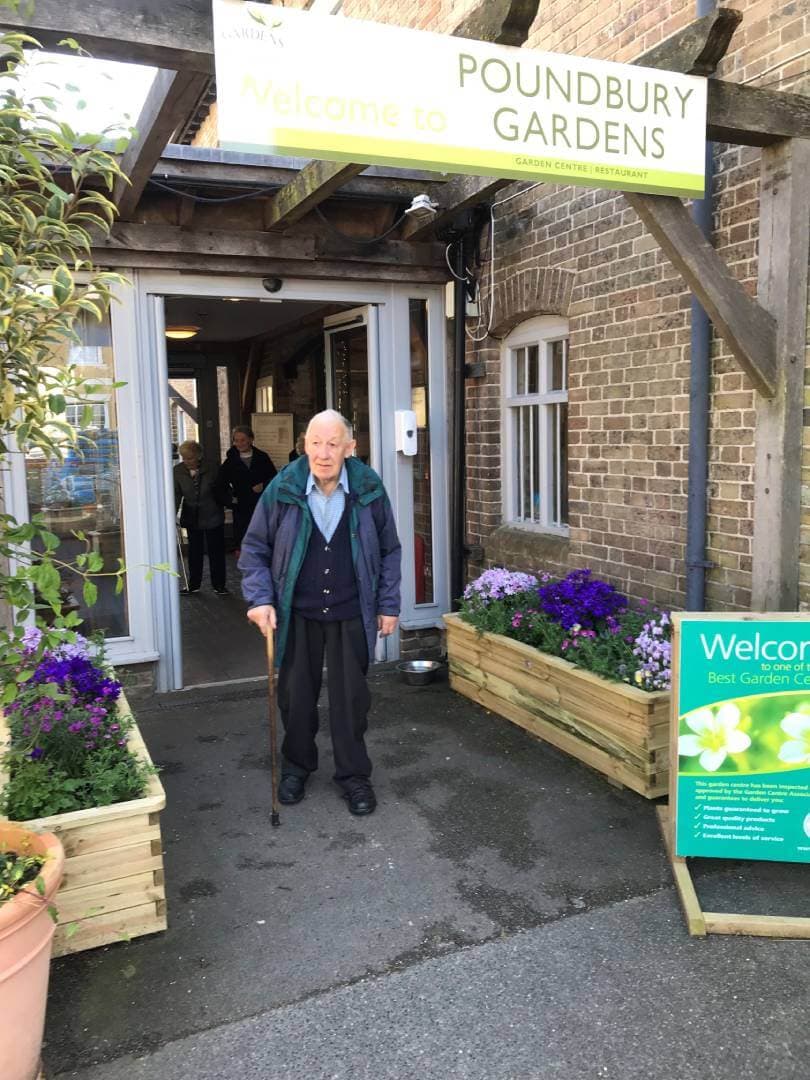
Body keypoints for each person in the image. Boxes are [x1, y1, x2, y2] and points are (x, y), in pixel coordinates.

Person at [239, 410, 401, 816]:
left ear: (350, 448)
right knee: (295, 697)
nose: (323, 453)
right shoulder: (283, 488)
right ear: (304, 444)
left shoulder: (368, 488)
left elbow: (390, 550)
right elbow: (254, 548)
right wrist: (260, 599)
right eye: (315, 443)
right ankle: (296, 767)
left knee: (351, 699)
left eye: (333, 444)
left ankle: (353, 776)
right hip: (298, 612)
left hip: (351, 609)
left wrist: (388, 604)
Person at [174, 440, 229, 595]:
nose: (187, 462)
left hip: (212, 514)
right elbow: (176, 494)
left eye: (190, 458)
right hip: (192, 517)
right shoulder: (177, 471)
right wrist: (172, 514)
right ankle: (193, 585)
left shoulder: (212, 468)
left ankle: (219, 585)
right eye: (184, 458)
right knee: (194, 553)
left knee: (216, 552)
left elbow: (222, 489)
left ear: (199, 456)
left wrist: (227, 503)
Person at [218, 425, 277, 554]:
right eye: (236, 440)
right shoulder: (230, 461)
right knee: (243, 541)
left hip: (261, 504)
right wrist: (231, 499)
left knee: (262, 540)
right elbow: (220, 484)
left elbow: (274, 478)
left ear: (251, 439)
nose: (240, 443)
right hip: (241, 507)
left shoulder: (262, 457)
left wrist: (264, 485)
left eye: (243, 440)